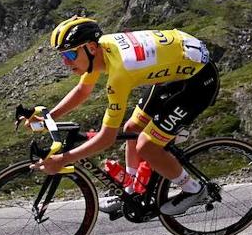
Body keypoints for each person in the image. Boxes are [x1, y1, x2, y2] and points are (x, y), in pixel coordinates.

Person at [25, 16, 219, 216]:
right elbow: (83, 90)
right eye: (63, 56)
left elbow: (106, 138)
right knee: (131, 129)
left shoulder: (120, 74)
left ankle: (194, 190)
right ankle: (130, 190)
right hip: (176, 69)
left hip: (199, 81)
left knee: (147, 145)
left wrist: (63, 159)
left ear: (91, 47)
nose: (66, 62)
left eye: (70, 55)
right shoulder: (101, 50)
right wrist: (50, 116)